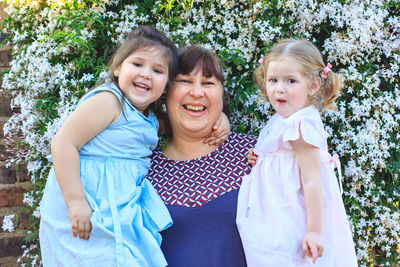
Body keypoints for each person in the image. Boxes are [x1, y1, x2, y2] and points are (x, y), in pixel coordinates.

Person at [39, 27, 228, 267]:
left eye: (157, 70)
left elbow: (185, 119)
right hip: (86, 199)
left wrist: (220, 119)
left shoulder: (147, 119)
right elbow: (64, 142)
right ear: (118, 66)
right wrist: (75, 201)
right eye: (137, 64)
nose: (146, 74)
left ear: (166, 85)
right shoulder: (109, 102)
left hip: (117, 207)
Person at [236, 39, 358, 266]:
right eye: (273, 80)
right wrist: (261, 159)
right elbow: (282, 157)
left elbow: (312, 180)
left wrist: (314, 231)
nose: (279, 88)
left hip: (292, 213)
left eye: (290, 81)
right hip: (277, 211)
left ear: (312, 86)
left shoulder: (301, 125)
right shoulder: (285, 118)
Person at [146, 45, 258, 266]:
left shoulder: (255, 154)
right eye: (185, 81)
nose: (197, 92)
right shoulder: (141, 171)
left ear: (221, 95)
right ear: (165, 91)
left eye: (208, 83)